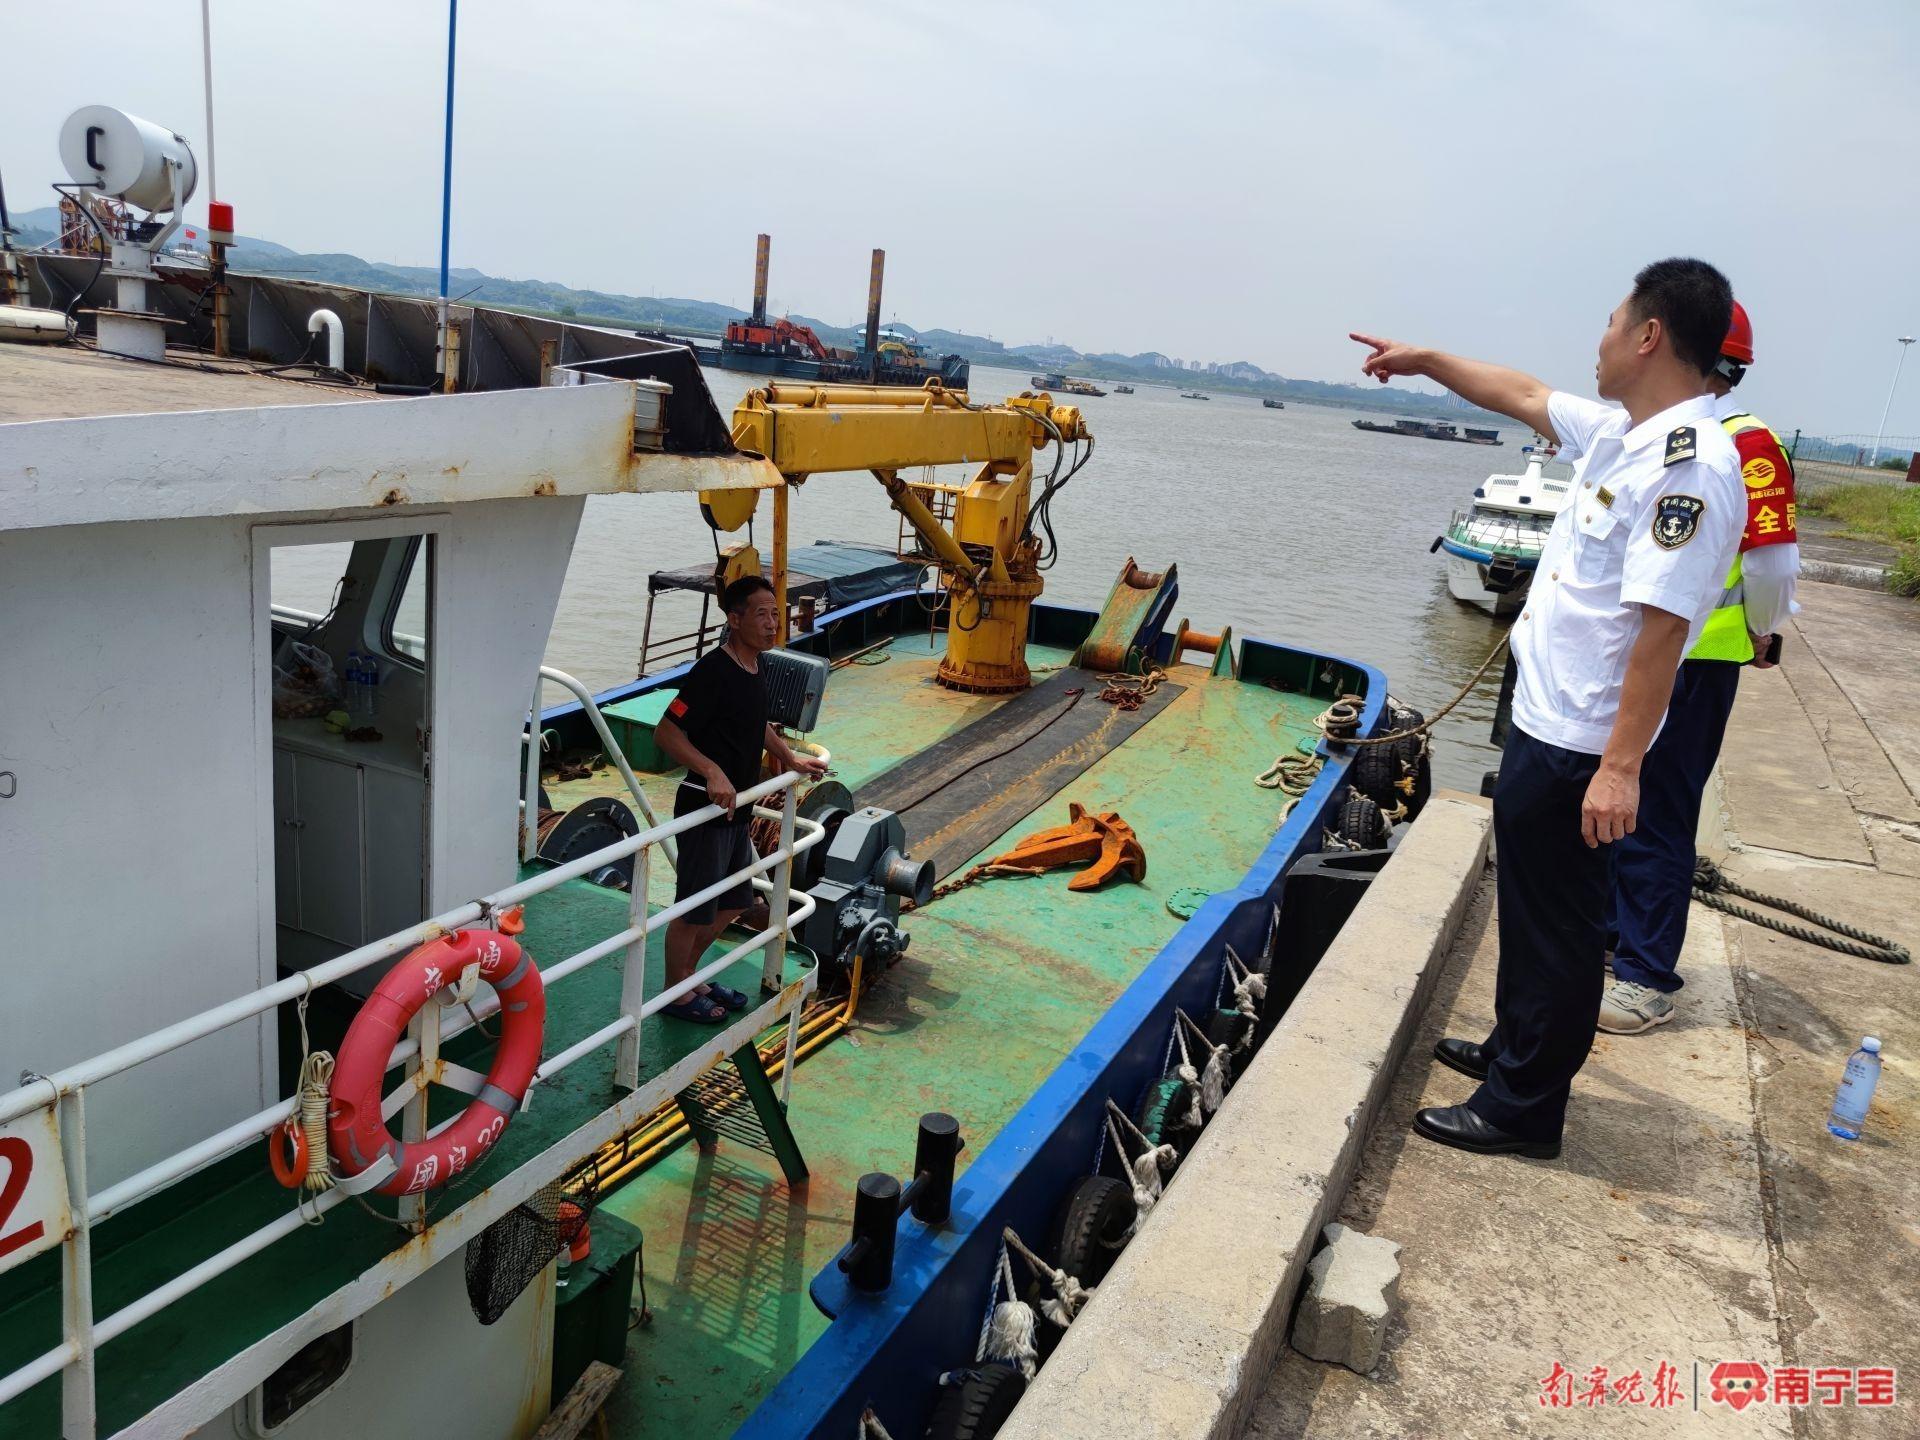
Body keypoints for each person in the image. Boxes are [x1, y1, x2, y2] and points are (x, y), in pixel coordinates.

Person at [1350, 257, 1745, 1159]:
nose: (1598, 340)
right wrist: (1425, 361)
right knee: (1530, 910)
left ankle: (1523, 1110)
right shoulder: (1623, 433)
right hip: (1543, 717)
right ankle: (1511, 1051)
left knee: (1565, 928)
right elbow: (1522, 392)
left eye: (1611, 322)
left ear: (1649, 335)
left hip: (1584, 745)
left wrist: (1619, 768)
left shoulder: (1690, 469)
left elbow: (1659, 630)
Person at [1600, 301, 1800, 1033]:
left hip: (1698, 657)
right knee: (1615, 801)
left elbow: (1775, 566)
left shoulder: (1745, 444)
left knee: (1656, 811)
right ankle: (1614, 942)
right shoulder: (1667, 435)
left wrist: (1760, 630)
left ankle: (1645, 975)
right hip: (1645, 652)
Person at [653, 575, 827, 1024]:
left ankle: (688, 975)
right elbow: (666, 732)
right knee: (694, 907)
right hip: (703, 808)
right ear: (734, 619)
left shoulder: (755, 666)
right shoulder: (713, 671)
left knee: (732, 903)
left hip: (738, 809)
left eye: (776, 613)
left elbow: (757, 723)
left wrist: (790, 758)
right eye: (763, 614)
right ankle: (676, 989)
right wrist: (711, 770)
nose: (773, 624)